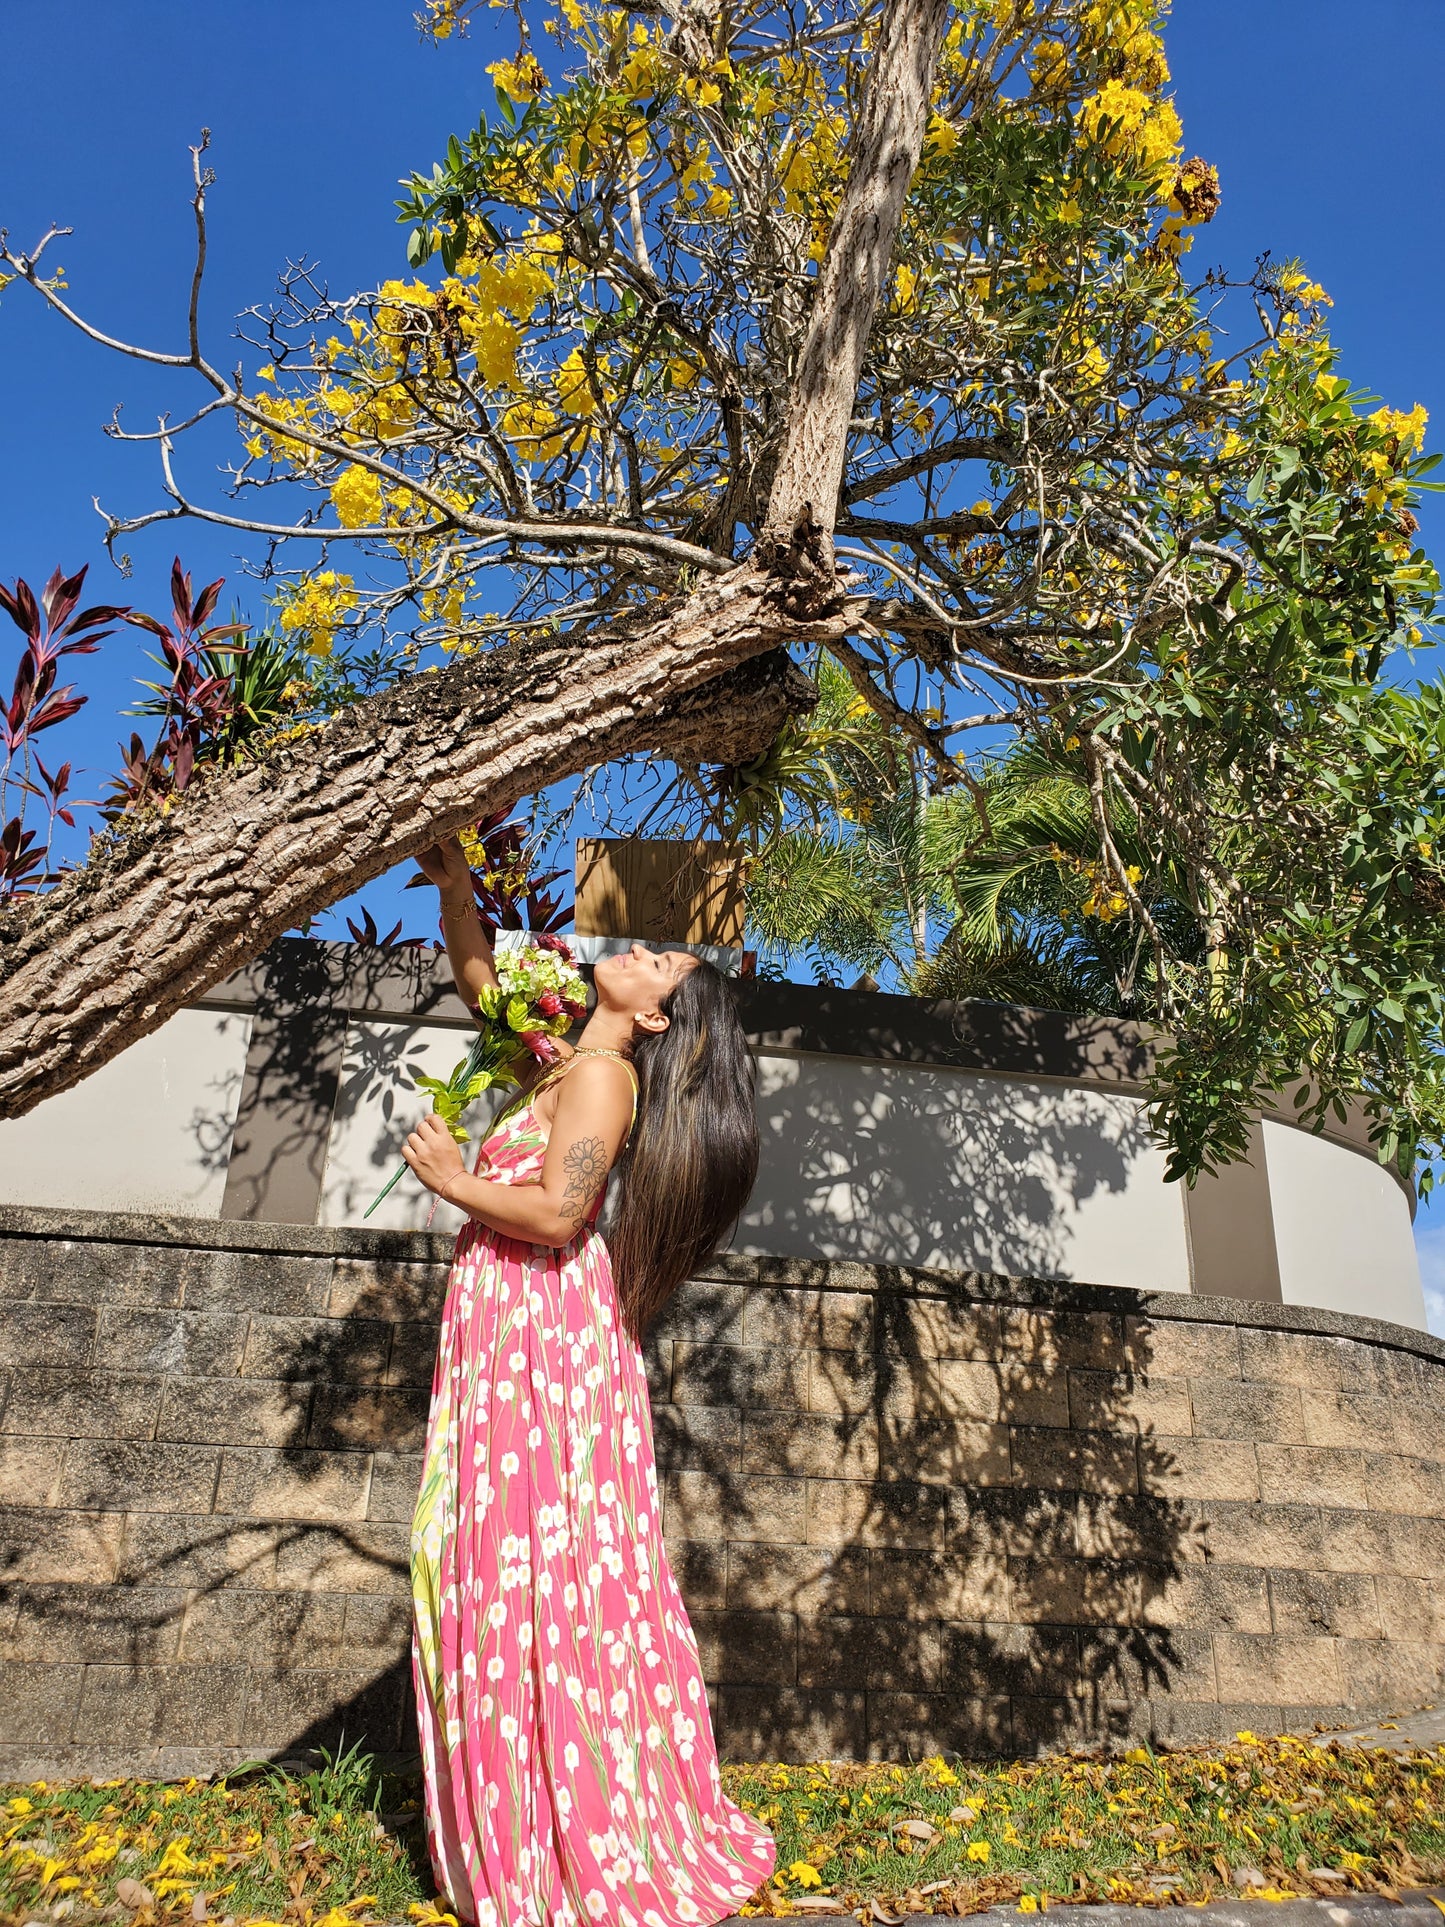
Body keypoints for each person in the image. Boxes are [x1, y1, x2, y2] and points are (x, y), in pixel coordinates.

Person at [401, 835, 776, 1927]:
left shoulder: (604, 1079)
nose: (645, 953)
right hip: (517, 1319)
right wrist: (456, 885)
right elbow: (481, 983)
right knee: (521, 1551)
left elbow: (561, 1215)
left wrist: (453, 1178)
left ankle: (567, 1822)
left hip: (539, 1325)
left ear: (655, 1017)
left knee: (530, 1551)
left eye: (661, 966)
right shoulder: (567, 1057)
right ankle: (540, 1797)